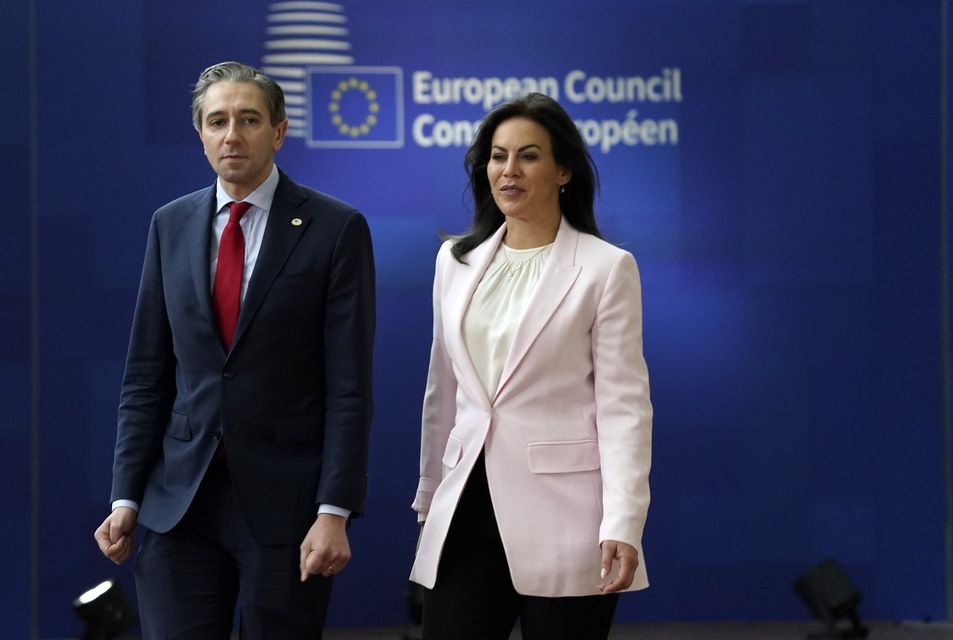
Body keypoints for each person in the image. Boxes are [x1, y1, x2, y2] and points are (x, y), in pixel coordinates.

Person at [93, 61, 375, 639]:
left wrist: (334, 510)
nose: (232, 135)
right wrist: (126, 494)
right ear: (200, 134)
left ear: (278, 131)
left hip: (286, 509)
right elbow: (146, 375)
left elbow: (349, 387)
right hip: (179, 503)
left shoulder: (334, 227)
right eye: (217, 121)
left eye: (249, 120)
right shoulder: (169, 224)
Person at [409, 92, 653, 640]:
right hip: (465, 509)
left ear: (563, 169)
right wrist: (429, 498)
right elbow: (441, 391)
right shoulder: (455, 261)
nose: (508, 171)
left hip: (567, 518)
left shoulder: (606, 268)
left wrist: (623, 522)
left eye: (528, 156)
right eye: (497, 156)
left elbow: (624, 409)